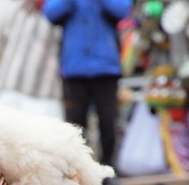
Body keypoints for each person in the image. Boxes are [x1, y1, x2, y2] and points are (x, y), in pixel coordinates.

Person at [34, 0, 132, 176]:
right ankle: (80, 170)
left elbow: (123, 10)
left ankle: (109, 169)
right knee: (75, 123)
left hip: (106, 68)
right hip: (75, 69)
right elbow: (50, 13)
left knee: (108, 121)